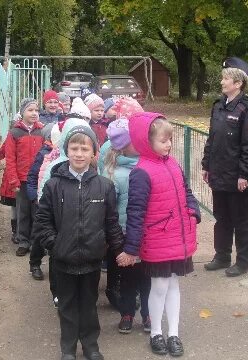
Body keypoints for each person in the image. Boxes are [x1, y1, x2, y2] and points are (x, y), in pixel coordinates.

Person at [34, 125, 124, 360]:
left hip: (92, 259)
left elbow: (111, 222)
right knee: (67, 306)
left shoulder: (104, 186)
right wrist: (55, 245)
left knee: (88, 304)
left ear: (94, 152)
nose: (79, 153)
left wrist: (119, 250)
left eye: (85, 148)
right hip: (62, 260)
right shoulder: (54, 185)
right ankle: (68, 349)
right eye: (74, 148)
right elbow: (42, 220)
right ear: (67, 150)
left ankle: (91, 346)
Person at [118, 112, 200, 357]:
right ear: (147, 142)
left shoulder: (173, 163)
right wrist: (132, 248)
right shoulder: (141, 172)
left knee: (174, 284)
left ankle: (173, 333)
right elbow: (135, 211)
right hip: (158, 238)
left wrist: (193, 212)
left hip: (178, 237)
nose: (169, 144)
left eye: (170, 140)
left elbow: (187, 191)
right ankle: (156, 332)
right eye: (163, 140)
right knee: (160, 286)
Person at [201, 57, 248, 277]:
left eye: (226, 78)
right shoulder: (218, 106)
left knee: (241, 220)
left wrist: (245, 174)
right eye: (223, 77)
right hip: (219, 173)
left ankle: (243, 261)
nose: (222, 81)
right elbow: (212, 139)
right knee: (222, 217)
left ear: (238, 83)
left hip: (237, 177)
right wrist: (206, 165)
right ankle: (222, 255)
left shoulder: (247, 110)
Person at [102, 118, 151, 334]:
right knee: (128, 278)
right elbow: (109, 210)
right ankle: (127, 313)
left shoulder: (148, 166)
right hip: (124, 235)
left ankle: (149, 314)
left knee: (149, 278)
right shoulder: (113, 173)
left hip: (149, 233)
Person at [4, 98, 45, 257]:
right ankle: (23, 241)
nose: (34, 113)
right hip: (21, 180)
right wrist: (14, 180)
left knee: (37, 211)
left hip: (37, 180)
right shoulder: (14, 132)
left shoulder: (41, 131)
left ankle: (36, 242)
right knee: (23, 211)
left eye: (36, 110)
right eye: (30, 110)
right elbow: (10, 158)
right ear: (22, 113)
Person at [24, 123, 56, 280]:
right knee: (38, 235)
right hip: (41, 202)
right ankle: (35, 263)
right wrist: (34, 197)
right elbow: (32, 176)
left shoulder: (66, 155)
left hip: (58, 202)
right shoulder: (43, 154)